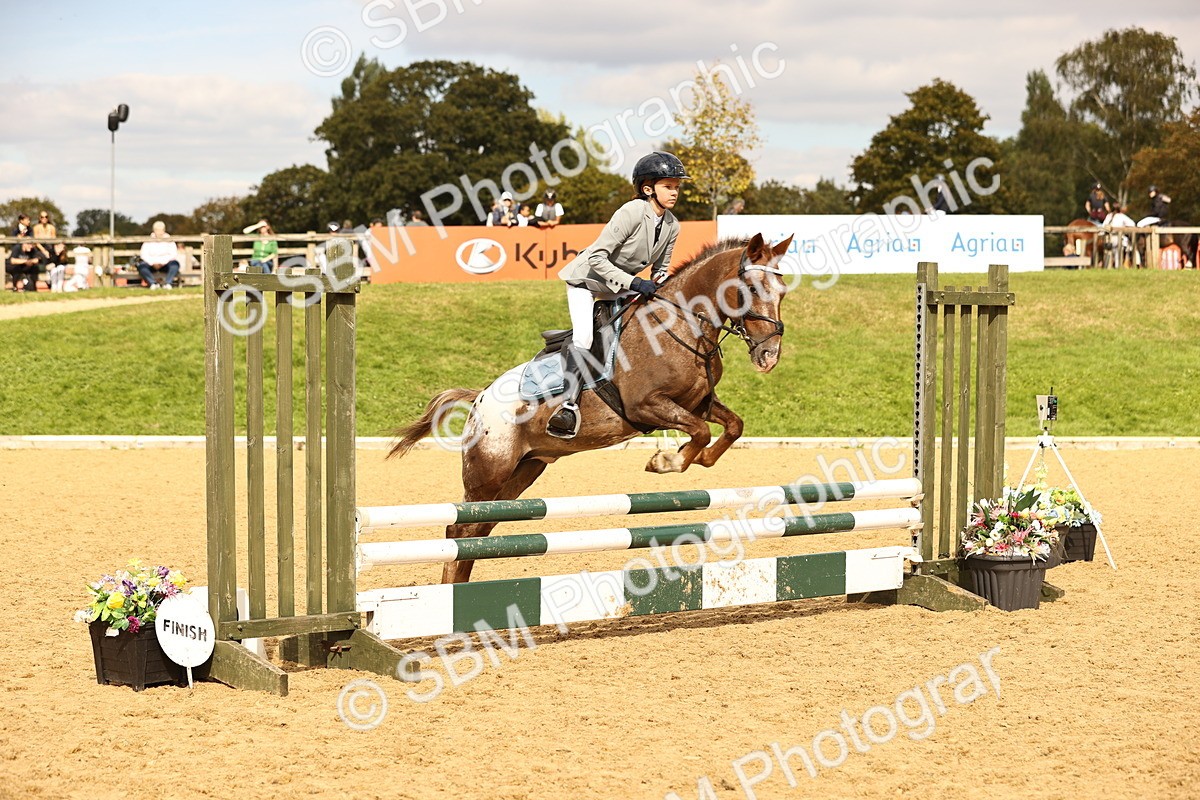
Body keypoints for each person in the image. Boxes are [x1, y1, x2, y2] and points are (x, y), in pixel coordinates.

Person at [547, 151, 687, 439]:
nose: (674, 192)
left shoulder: (672, 224)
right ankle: (567, 407)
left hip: (620, 287)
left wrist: (658, 281)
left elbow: (661, 268)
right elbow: (597, 256)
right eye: (668, 186)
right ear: (648, 189)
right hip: (587, 281)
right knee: (585, 338)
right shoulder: (631, 212)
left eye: (676, 187)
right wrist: (635, 283)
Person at [137, 221, 181, 289]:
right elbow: (143, 254)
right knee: (141, 266)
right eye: (157, 230)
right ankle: (152, 284)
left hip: (165, 264)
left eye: (161, 230)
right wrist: (153, 263)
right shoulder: (148, 240)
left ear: (164, 230)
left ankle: (168, 283)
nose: (159, 232)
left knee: (175, 264)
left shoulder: (169, 240)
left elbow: (173, 254)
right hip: (151, 265)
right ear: (154, 230)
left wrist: (162, 263)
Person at [1102, 202, 1137, 268]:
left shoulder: (1109, 216)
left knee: (1110, 254)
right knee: (1118, 254)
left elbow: (1103, 226)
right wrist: (1125, 228)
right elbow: (1132, 224)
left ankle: (1108, 267)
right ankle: (1117, 267)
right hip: (1118, 239)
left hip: (1108, 239)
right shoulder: (1121, 216)